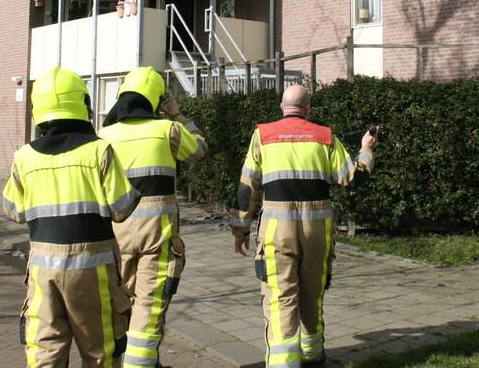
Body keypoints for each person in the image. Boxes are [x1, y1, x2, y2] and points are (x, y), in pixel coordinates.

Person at [2, 66, 139, 367]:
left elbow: (14, 210)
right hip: (94, 271)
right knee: (100, 352)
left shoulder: (24, 157)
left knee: (45, 353)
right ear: (83, 104)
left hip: (43, 272)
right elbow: (122, 207)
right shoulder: (99, 151)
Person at [232, 84, 377, 367]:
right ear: (307, 110)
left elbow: (246, 187)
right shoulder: (325, 137)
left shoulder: (262, 136)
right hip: (317, 231)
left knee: (280, 296)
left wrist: (241, 229)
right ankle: (312, 355)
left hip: (276, 231)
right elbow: (353, 178)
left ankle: (284, 362)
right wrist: (365, 149)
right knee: (313, 292)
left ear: (281, 108)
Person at [98, 67, 207, 368]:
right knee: (148, 307)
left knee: (119, 307)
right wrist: (177, 114)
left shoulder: (102, 136)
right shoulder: (167, 130)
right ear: (156, 102)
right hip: (156, 239)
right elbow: (199, 149)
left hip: (114, 240)